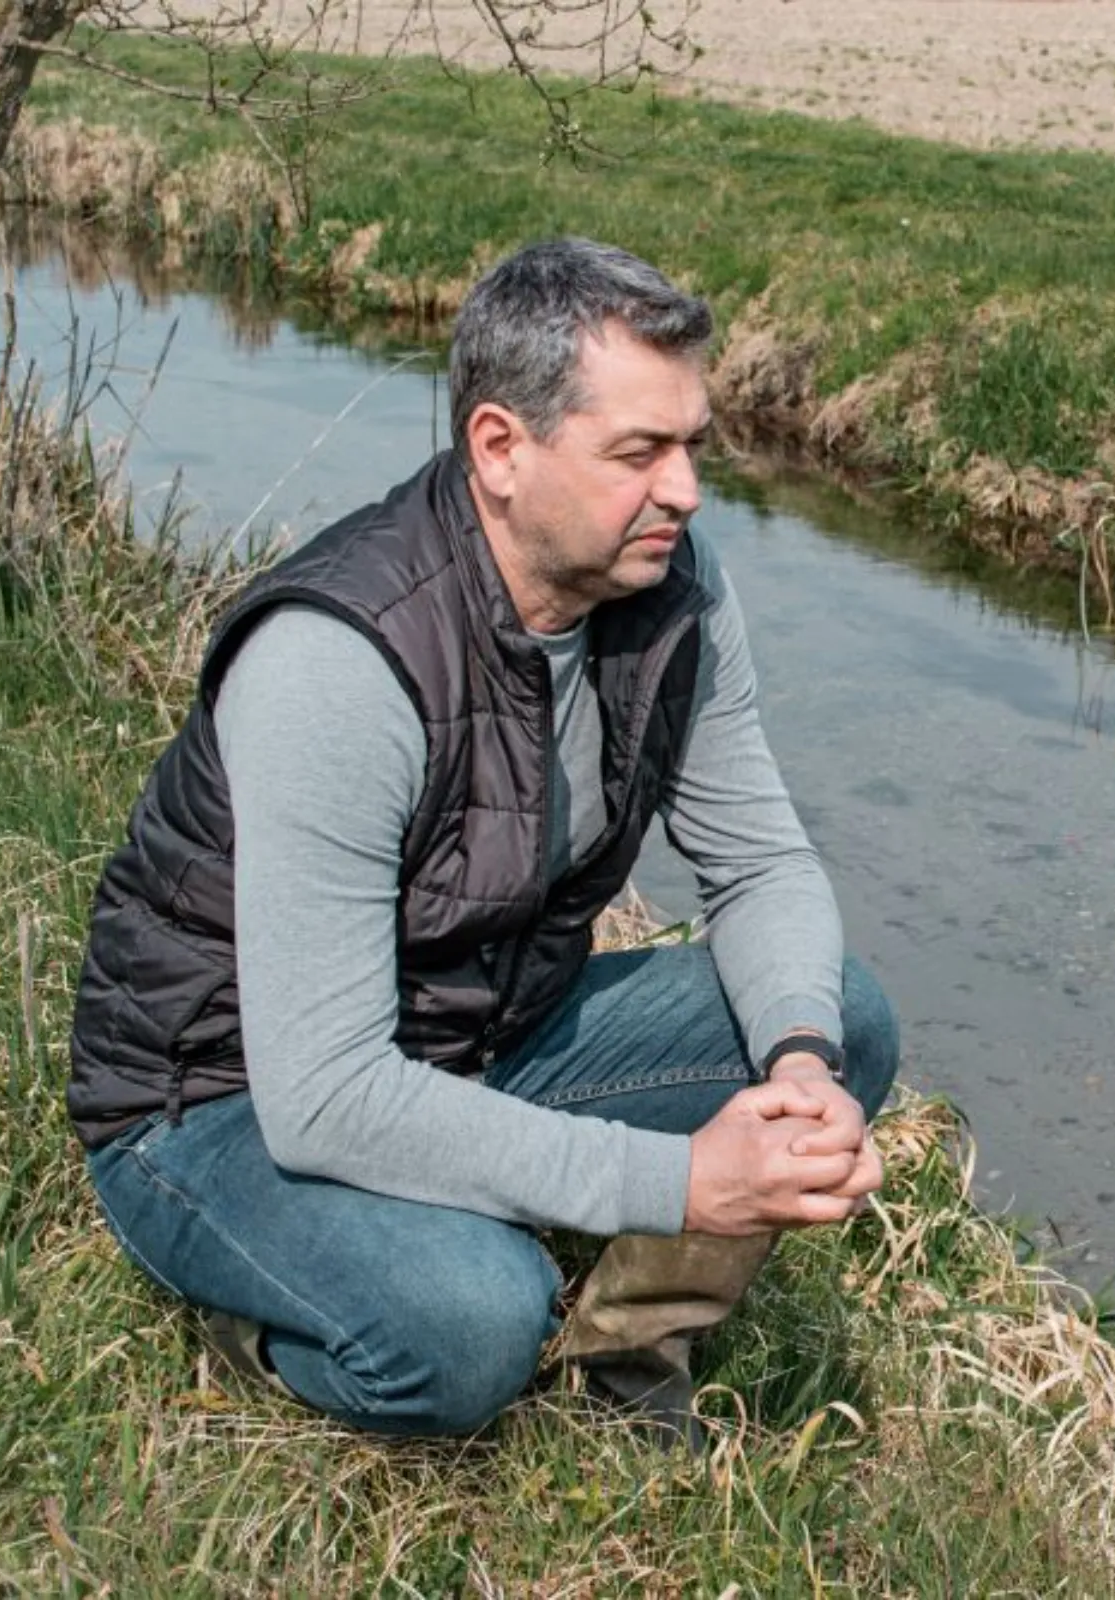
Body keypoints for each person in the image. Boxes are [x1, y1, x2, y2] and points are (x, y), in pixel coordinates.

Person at [64, 237, 897, 1439]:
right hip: (219, 1098)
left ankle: (625, 1365)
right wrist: (680, 1181)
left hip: (472, 1027)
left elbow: (761, 863)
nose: (686, 491)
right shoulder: (340, 662)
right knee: (472, 1319)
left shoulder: (670, 589)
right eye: (640, 453)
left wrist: (802, 1071)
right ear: (501, 448)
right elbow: (326, 1097)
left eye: (693, 444)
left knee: (841, 1013)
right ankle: (261, 1324)